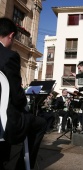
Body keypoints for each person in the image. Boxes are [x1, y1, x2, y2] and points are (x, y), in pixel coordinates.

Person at [0, 17, 47, 170]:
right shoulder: (9, 56)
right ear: (11, 36)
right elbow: (18, 97)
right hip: (5, 123)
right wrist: (24, 102)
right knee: (40, 124)